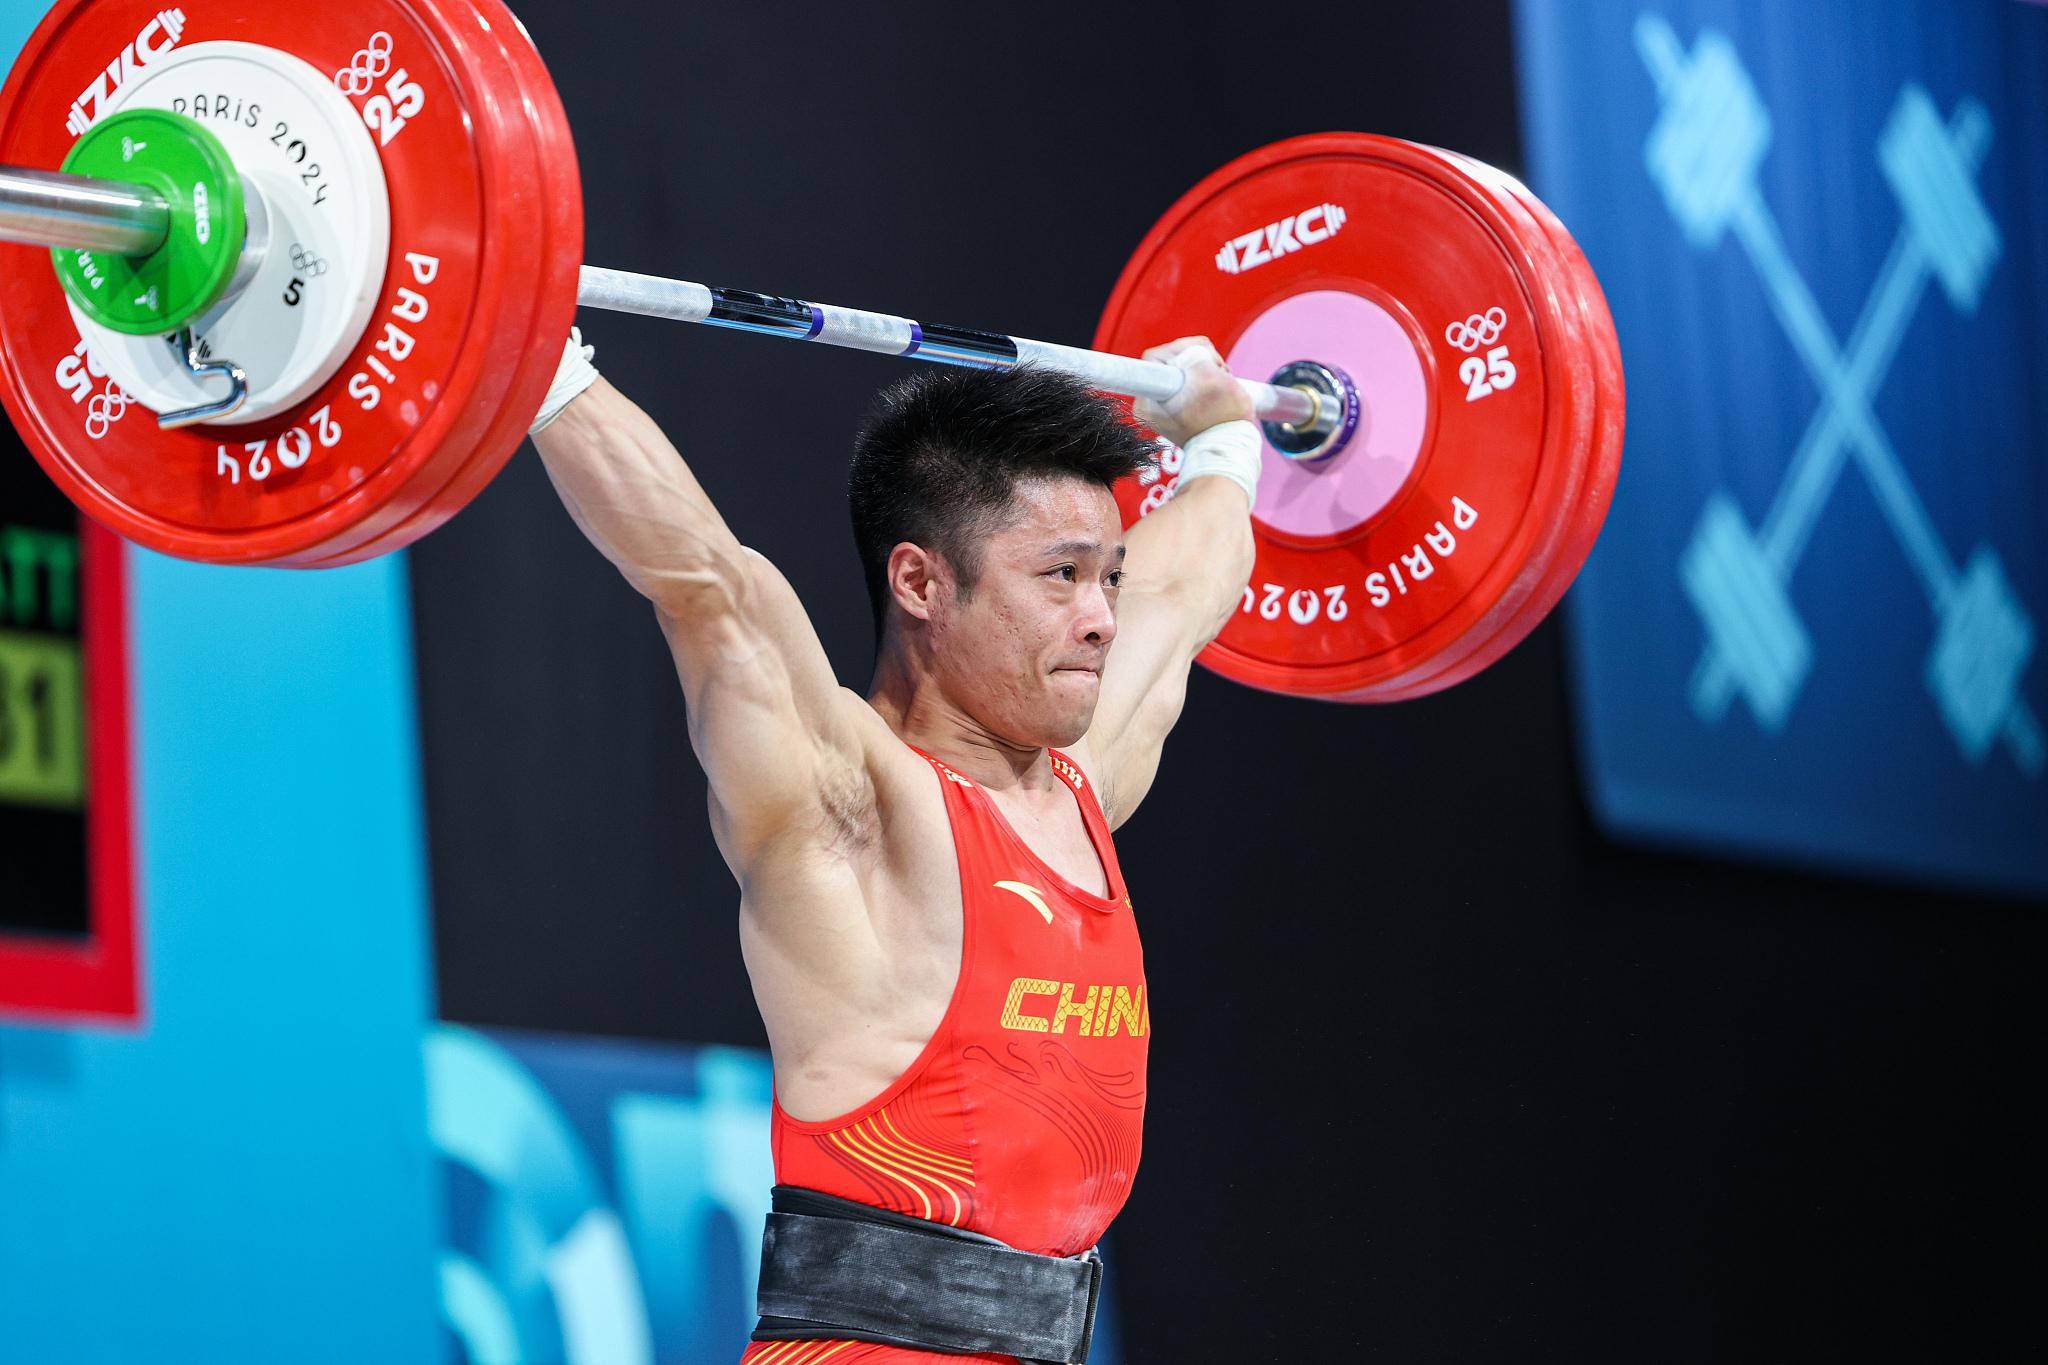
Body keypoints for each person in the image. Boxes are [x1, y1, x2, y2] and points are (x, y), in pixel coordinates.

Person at [529, 328, 1262, 1364]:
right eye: (1060, 575)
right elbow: (706, 583)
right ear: (919, 582)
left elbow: (1187, 588)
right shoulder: (850, 806)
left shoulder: (1077, 781)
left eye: (1107, 577)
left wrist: (1223, 440)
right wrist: (534, 360)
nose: (1100, 617)